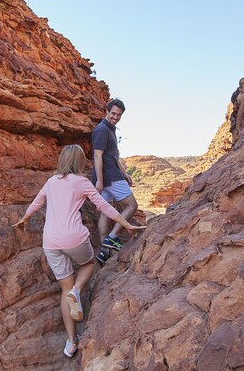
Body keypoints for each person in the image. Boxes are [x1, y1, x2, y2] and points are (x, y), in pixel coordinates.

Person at [13, 144, 145, 358]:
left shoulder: (51, 181)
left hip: (51, 241)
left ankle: (71, 342)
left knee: (65, 290)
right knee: (88, 264)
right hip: (74, 237)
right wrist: (126, 224)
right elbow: (104, 206)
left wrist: (24, 219)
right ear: (79, 161)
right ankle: (78, 289)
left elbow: (36, 203)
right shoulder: (82, 182)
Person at [91, 98, 139, 264]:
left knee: (105, 211)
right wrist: (100, 181)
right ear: (107, 111)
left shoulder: (110, 129)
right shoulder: (102, 130)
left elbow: (114, 156)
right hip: (109, 177)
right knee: (132, 205)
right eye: (113, 114)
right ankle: (112, 237)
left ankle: (105, 253)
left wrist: (125, 173)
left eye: (119, 115)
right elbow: (98, 155)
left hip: (109, 176)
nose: (116, 117)